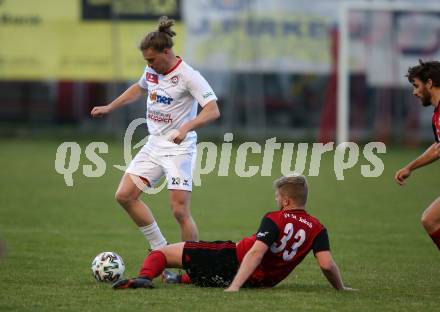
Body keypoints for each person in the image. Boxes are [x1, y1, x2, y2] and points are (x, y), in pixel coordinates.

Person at [90, 16, 220, 249]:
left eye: (152, 60)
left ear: (167, 52)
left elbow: (212, 110)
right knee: (125, 196)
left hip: (179, 148)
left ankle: (193, 265)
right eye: (146, 61)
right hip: (154, 145)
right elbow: (139, 89)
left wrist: (185, 127)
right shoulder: (151, 71)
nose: (149, 65)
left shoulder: (189, 76)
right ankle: (160, 250)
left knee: (179, 211)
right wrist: (110, 106)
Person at [112, 175, 353, 291]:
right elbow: (326, 264)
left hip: (231, 259)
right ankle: (178, 279)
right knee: (211, 273)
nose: (276, 200)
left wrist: (235, 286)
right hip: (260, 282)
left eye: (278, 196)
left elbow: (256, 252)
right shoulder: (318, 228)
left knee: (162, 254)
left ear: (287, 200)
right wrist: (341, 289)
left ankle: (144, 278)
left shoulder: (275, 218)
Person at [395, 60, 440, 250]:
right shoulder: (436, 115)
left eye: (416, 86)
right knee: (430, 219)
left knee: (430, 219)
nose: (414, 92)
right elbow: (438, 147)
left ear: (429, 83)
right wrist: (410, 167)